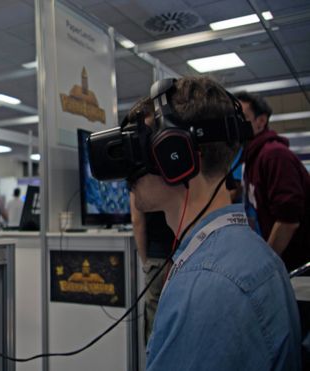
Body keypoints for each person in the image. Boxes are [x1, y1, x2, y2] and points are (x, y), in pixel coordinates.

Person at [127, 77, 300, 370]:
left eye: (144, 146)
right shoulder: (245, 251)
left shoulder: (206, 288)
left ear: (177, 157)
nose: (130, 166)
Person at [236, 91, 310, 272]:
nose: (235, 124)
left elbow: (288, 220)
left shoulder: (273, 155)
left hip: (299, 262)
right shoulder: (252, 158)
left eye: (242, 117)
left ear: (261, 121)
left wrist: (266, 265)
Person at [127, 97, 176, 343]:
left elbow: (138, 221)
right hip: (181, 253)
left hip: (158, 257)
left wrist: (146, 261)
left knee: (157, 334)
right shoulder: (173, 160)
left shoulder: (139, 165)